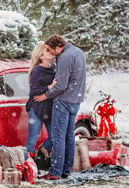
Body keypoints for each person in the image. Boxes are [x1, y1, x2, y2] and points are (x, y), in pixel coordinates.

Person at [35, 34, 86, 180]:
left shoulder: (64, 57)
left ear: (58, 47)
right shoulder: (78, 52)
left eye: (51, 50)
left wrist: (46, 95)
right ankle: (66, 170)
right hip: (75, 100)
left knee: (58, 137)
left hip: (63, 101)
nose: (51, 53)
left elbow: (61, 85)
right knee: (69, 136)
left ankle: (55, 172)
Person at [25, 43, 56, 158]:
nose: (51, 52)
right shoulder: (37, 70)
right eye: (47, 51)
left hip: (49, 108)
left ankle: (44, 149)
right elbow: (34, 91)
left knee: (55, 136)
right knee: (32, 139)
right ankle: (26, 165)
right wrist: (50, 86)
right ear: (41, 56)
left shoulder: (53, 67)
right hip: (37, 108)